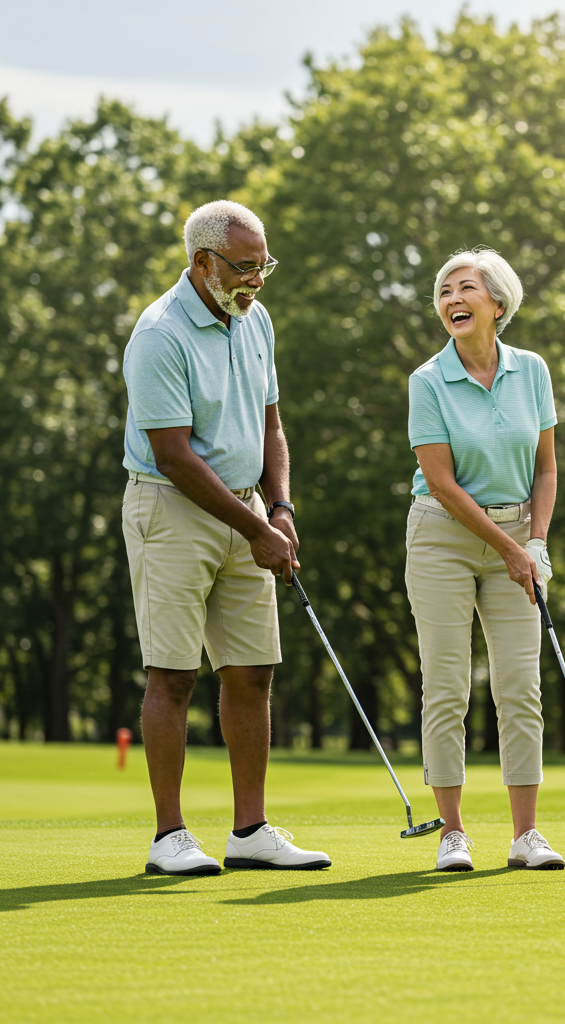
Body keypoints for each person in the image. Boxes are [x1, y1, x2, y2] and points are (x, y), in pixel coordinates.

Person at [121, 200, 330, 875]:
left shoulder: (254, 317)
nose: (257, 280)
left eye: (262, 264)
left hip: (247, 509)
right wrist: (257, 529)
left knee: (251, 670)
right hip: (171, 509)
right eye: (244, 267)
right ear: (201, 263)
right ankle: (169, 837)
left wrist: (282, 508)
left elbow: (272, 424)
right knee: (174, 672)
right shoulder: (159, 335)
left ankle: (250, 830)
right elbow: (176, 456)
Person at [405, 248, 562, 872]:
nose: (451, 299)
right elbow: (440, 481)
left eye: (464, 288)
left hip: (519, 536)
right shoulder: (427, 380)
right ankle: (453, 834)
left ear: (498, 302)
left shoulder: (532, 371)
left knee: (521, 685)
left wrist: (537, 543)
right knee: (445, 686)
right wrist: (511, 549)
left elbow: (546, 467)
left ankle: (527, 835)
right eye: (443, 291)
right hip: (441, 536)